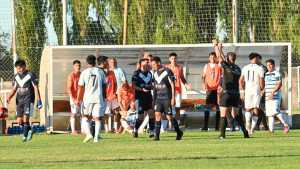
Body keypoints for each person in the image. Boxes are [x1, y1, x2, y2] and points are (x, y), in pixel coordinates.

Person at [214, 42, 249, 139]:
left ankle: (222, 135)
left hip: (227, 93)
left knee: (223, 114)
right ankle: (245, 132)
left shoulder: (226, 66)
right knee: (237, 115)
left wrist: (217, 47)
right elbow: (222, 58)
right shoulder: (238, 68)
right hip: (236, 94)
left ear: (228, 59)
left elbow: (219, 57)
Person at [7, 59, 42, 142]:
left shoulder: (31, 75)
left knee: (26, 118)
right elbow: (14, 89)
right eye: (18, 68)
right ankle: (30, 130)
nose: (20, 69)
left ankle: (25, 136)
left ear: (25, 66)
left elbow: (36, 88)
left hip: (29, 99)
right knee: (19, 120)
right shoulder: (16, 76)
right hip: (19, 100)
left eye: (21, 67)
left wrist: (39, 100)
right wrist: (9, 97)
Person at [151, 56, 183, 141]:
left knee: (169, 117)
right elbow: (154, 87)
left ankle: (179, 132)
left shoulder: (167, 71)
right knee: (157, 115)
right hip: (158, 98)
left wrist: (173, 98)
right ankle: (157, 136)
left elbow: (172, 85)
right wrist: (153, 100)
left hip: (167, 98)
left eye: (154, 64)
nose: (152, 66)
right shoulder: (154, 73)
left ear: (158, 63)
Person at [76, 55, 106, 143]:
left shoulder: (84, 72)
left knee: (85, 117)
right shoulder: (100, 72)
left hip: (88, 98)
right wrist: (104, 97)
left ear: (87, 62)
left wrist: (78, 99)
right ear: (95, 62)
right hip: (98, 97)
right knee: (97, 118)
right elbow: (104, 85)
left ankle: (89, 134)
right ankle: (96, 137)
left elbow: (80, 87)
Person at [239, 53, 265, 135]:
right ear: (256, 58)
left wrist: (243, 91)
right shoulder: (260, 68)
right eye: (259, 58)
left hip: (248, 91)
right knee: (255, 109)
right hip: (256, 91)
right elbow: (261, 82)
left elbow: (241, 81)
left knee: (247, 109)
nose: (259, 60)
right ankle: (252, 129)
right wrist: (262, 89)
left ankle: (247, 126)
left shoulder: (245, 67)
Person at [166, 52, 192, 127]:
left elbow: (182, 78)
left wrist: (186, 85)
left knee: (177, 107)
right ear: (169, 59)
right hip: (168, 90)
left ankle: (176, 123)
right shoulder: (166, 67)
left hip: (177, 90)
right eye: (172, 58)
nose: (174, 60)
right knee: (168, 108)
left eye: (175, 58)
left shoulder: (179, 67)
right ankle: (169, 123)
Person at [132, 58, 155, 138]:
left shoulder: (150, 73)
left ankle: (152, 131)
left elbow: (151, 84)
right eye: (146, 62)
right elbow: (134, 86)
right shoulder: (136, 73)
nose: (148, 63)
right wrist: (142, 89)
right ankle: (135, 129)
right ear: (141, 63)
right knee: (141, 117)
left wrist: (152, 87)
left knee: (151, 113)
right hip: (139, 97)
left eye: (148, 62)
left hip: (148, 96)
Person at [264, 59, 289, 133]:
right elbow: (266, 85)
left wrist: (272, 92)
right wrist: (263, 91)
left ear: (273, 65)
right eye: (267, 65)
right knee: (269, 114)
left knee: (275, 111)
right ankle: (271, 130)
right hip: (267, 96)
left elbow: (279, 84)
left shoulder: (277, 73)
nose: (269, 66)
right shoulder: (266, 74)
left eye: (270, 65)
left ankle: (285, 125)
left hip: (275, 96)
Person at [201, 52, 222, 131]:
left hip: (217, 89)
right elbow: (203, 77)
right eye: (211, 57)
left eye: (214, 57)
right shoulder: (206, 66)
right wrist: (203, 84)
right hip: (209, 89)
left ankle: (217, 126)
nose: (212, 58)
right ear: (209, 58)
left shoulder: (219, 65)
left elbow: (221, 76)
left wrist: (218, 48)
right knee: (207, 108)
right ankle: (205, 126)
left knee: (218, 108)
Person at [104, 58, 120, 133]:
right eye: (110, 62)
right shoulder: (102, 73)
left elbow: (116, 84)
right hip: (106, 97)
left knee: (116, 112)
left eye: (114, 62)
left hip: (113, 96)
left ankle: (115, 128)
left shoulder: (113, 73)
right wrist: (104, 96)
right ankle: (107, 129)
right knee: (106, 113)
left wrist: (115, 94)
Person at [67, 60, 81, 135]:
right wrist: (73, 99)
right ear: (73, 67)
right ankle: (73, 131)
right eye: (76, 66)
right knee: (74, 113)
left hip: (81, 98)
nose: (78, 67)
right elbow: (69, 88)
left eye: (79, 65)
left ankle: (84, 130)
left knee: (83, 113)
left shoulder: (82, 74)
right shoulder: (71, 75)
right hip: (74, 98)